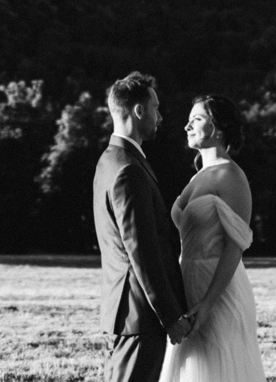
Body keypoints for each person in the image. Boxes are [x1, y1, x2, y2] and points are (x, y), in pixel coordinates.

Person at [158, 94, 266, 382]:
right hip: (187, 281)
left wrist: (207, 304)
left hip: (219, 291)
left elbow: (234, 248)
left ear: (217, 128)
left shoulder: (231, 175)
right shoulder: (197, 176)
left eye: (197, 119)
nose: (187, 126)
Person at [94, 72, 192, 382]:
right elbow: (142, 252)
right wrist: (170, 316)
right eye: (156, 108)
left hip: (123, 313)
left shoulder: (109, 160)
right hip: (139, 317)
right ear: (139, 111)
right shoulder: (128, 171)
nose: (160, 116)